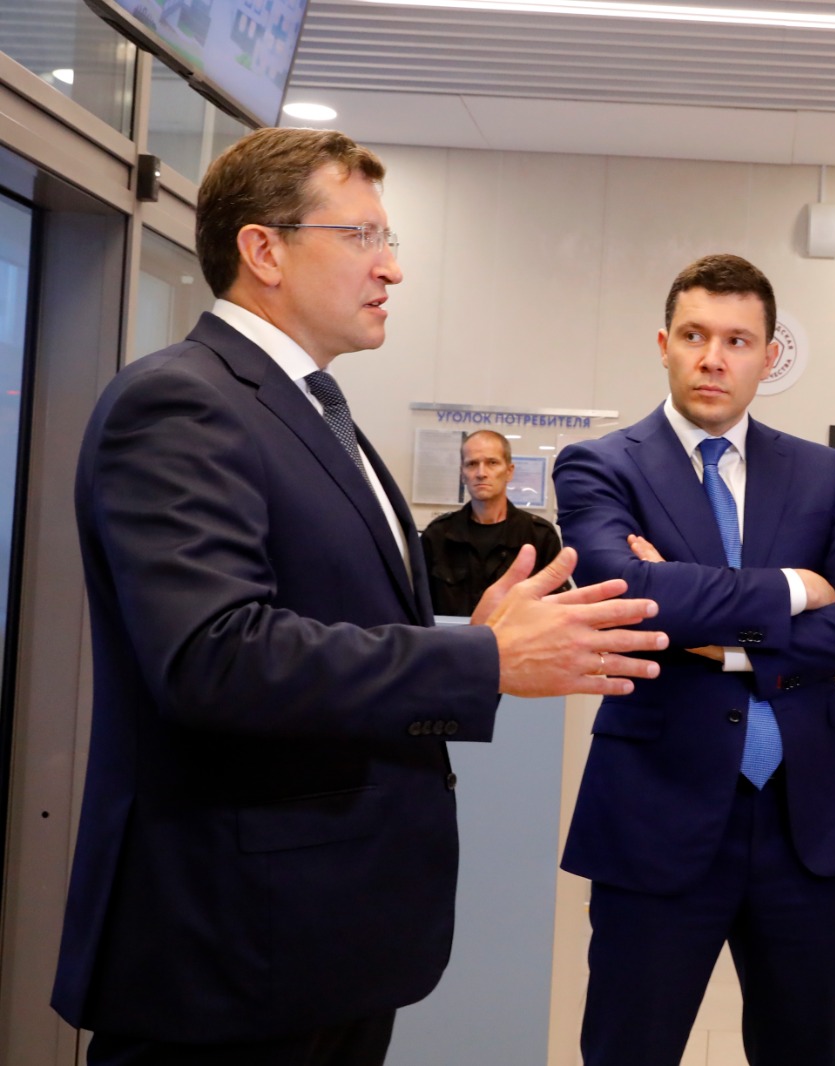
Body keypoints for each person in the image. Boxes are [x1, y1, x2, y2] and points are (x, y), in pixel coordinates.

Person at [51, 126, 668, 1066]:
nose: (392, 268)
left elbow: (329, 622)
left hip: (322, 933)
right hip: (230, 946)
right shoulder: (181, 402)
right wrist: (481, 658)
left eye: (391, 240)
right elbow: (215, 657)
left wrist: (477, 633)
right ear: (264, 251)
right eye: (363, 237)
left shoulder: (311, 409)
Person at [552, 253, 835, 1065]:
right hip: (656, 806)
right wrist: (796, 588)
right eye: (694, 335)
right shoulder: (602, 465)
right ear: (664, 344)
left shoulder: (821, 473)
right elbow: (630, 595)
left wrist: (719, 641)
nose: (714, 358)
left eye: (738, 341)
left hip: (805, 818)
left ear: (769, 356)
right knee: (628, 1050)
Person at [422, 429, 566, 615]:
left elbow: (555, 608)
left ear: (509, 472)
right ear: (462, 474)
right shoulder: (437, 536)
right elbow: (419, 605)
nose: (481, 473)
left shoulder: (540, 536)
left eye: (492, 463)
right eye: (472, 464)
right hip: (451, 635)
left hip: (517, 634)